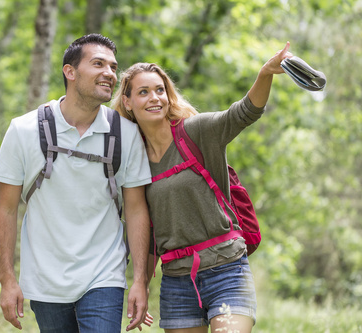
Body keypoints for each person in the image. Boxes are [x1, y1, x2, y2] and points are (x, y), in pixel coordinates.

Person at [111, 42, 293, 333]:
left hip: (227, 269)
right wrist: (141, 285)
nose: (154, 98)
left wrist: (265, 74)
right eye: (143, 92)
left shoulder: (196, 130)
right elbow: (148, 232)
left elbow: (244, 112)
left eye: (160, 90)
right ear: (128, 102)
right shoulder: (135, 161)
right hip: (177, 282)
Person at [0, 34, 152, 332]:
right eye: (98, 64)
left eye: (113, 67)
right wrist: (7, 279)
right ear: (70, 71)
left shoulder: (126, 134)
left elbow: (136, 210)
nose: (109, 73)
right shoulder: (24, 130)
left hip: (105, 275)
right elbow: (6, 209)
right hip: (45, 280)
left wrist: (140, 280)